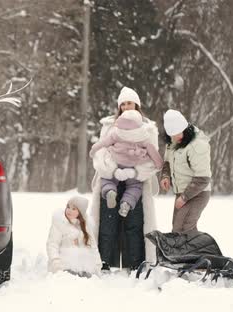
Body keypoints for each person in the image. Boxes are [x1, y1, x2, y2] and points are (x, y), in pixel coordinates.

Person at [90, 87, 159, 271]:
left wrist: (134, 173)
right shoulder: (109, 126)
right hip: (110, 177)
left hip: (135, 180)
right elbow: (101, 152)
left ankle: (135, 263)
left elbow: (153, 158)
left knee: (134, 223)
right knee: (107, 221)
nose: (127, 106)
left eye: (130, 103)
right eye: (123, 104)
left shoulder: (148, 128)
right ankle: (104, 261)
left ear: (137, 104)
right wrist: (112, 169)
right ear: (119, 106)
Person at [89, 109, 163, 217]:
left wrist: (94, 149)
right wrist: (159, 163)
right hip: (133, 166)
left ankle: (110, 191)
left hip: (117, 162)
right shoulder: (143, 135)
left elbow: (104, 142)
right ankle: (126, 203)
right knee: (135, 186)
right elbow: (152, 151)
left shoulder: (117, 132)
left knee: (107, 179)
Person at [160, 109, 212, 233]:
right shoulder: (172, 143)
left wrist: (184, 197)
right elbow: (167, 162)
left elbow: (203, 178)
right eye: (172, 135)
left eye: (179, 133)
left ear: (185, 129)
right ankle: (185, 252)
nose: (176, 137)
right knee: (177, 229)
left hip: (198, 193)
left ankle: (190, 252)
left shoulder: (196, 145)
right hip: (182, 193)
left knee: (184, 228)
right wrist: (165, 176)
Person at [46, 196, 102, 277]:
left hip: (83, 265)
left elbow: (93, 247)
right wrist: (55, 262)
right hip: (63, 264)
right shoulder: (59, 223)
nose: (69, 210)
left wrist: (97, 265)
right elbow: (52, 244)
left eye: (74, 209)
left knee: (87, 278)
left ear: (80, 212)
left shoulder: (86, 227)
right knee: (70, 277)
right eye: (68, 207)